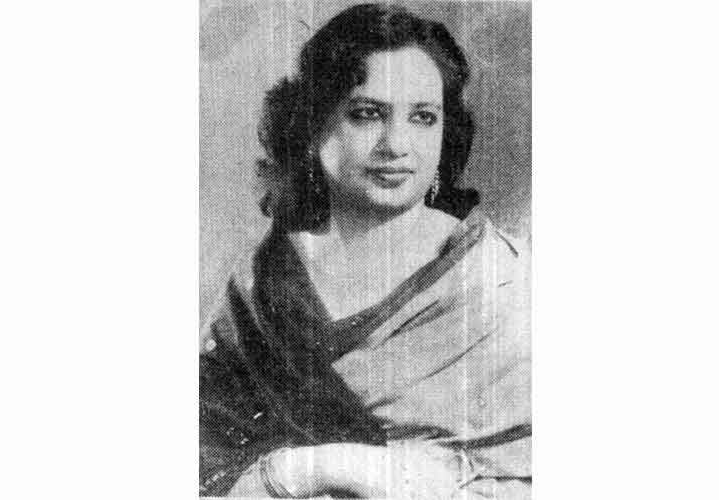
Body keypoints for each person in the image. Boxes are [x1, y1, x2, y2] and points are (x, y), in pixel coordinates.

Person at [200, 4, 530, 498]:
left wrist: (337, 469)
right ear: (314, 126)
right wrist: (287, 475)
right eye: (367, 114)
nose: (396, 145)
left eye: (423, 118)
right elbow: (206, 457)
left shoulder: (500, 278)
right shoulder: (262, 281)